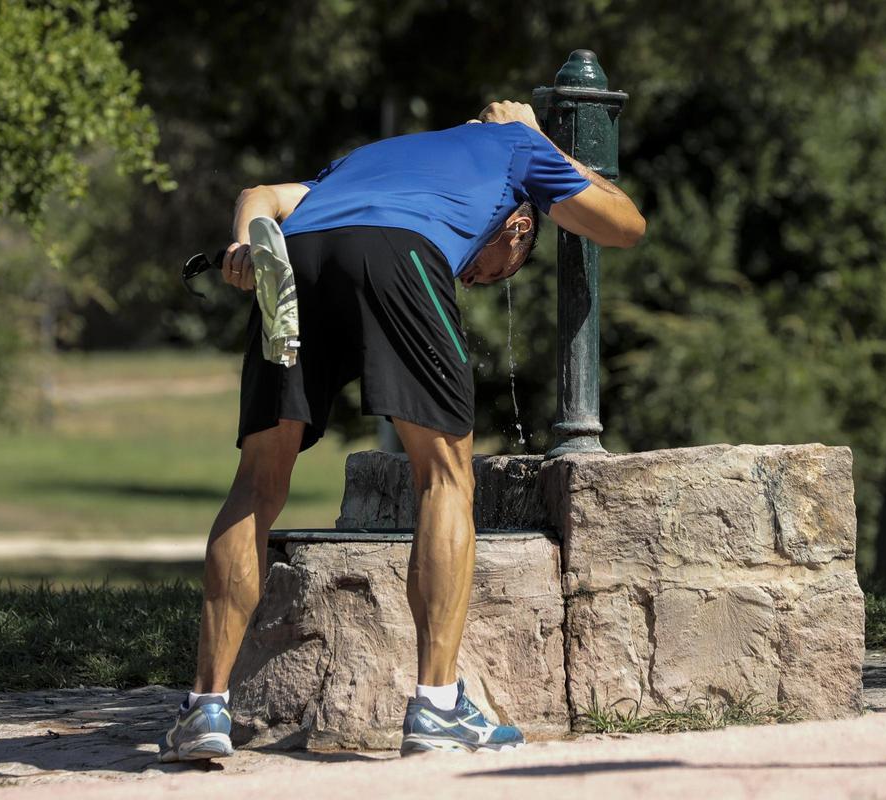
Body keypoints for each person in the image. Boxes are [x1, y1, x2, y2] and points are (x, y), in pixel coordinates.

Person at [159, 100, 645, 762]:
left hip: (298, 254)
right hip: (400, 253)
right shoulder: (516, 148)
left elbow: (264, 195)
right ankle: (438, 705)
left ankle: (204, 709)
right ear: (520, 227)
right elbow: (624, 224)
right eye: (490, 268)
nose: (473, 277)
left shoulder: (367, 157)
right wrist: (537, 139)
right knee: (444, 477)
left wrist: (246, 243)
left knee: (258, 481)